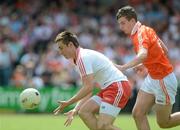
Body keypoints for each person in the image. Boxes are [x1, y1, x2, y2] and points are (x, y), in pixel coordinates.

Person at [116, 5, 180, 130]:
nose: (121, 27)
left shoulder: (140, 33)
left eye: (123, 23)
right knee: (137, 113)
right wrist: (144, 64)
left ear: (132, 21)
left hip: (164, 80)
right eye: (120, 24)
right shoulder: (147, 29)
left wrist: (124, 67)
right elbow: (164, 51)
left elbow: (143, 54)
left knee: (164, 123)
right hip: (153, 78)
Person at [53, 31, 132, 130]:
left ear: (70, 45)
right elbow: (88, 90)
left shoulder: (82, 58)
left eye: (61, 48)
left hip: (117, 86)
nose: (60, 52)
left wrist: (69, 102)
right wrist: (76, 109)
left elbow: (88, 87)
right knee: (84, 112)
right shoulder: (79, 60)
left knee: (104, 126)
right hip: (108, 88)